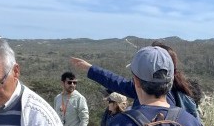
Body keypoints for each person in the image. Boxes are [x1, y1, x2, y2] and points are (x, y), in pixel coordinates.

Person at [69, 41, 200, 117]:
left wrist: (90, 69)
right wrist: (90, 68)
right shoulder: (184, 113)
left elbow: (116, 82)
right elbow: (115, 81)